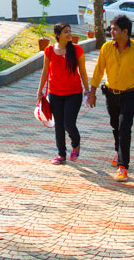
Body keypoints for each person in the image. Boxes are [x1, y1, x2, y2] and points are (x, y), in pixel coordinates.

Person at [87, 14, 134, 181]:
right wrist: (92, 93)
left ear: (125, 31)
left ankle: (123, 166)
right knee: (115, 126)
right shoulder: (106, 48)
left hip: (130, 94)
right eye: (111, 28)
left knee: (124, 128)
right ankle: (118, 151)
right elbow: (98, 71)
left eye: (114, 29)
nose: (111, 31)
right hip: (111, 94)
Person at [37, 22, 90, 165]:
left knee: (69, 123)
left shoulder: (77, 50)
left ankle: (76, 143)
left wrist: (88, 90)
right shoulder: (49, 50)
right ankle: (61, 154)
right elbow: (45, 72)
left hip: (74, 93)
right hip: (54, 93)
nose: (69, 34)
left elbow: (83, 72)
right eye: (66, 32)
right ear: (58, 35)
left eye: (70, 31)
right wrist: (40, 89)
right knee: (59, 124)